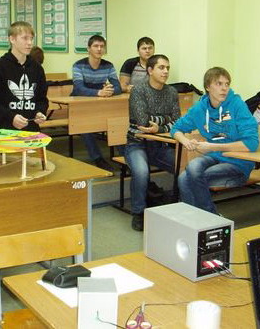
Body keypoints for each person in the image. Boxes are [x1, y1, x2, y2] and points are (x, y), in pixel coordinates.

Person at [170, 67, 259, 214]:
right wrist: (186, 141)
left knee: (189, 178)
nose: (224, 88)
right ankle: (197, 220)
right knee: (187, 174)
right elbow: (176, 129)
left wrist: (212, 147)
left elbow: (252, 144)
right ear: (207, 87)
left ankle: (211, 218)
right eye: (219, 84)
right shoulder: (200, 109)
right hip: (215, 157)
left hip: (238, 163)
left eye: (227, 84)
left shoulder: (237, 105)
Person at [125, 54, 180, 231]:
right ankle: (138, 213)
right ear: (150, 70)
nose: (165, 72)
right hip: (137, 143)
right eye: (161, 68)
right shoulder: (138, 90)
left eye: (167, 68)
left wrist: (160, 127)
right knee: (141, 172)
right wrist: (166, 120)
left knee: (184, 166)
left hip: (160, 145)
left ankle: (181, 205)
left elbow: (177, 121)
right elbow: (143, 121)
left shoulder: (171, 92)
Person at [71, 35, 122, 171]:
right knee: (86, 126)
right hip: (80, 106)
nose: (99, 49)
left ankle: (124, 157)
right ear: (88, 49)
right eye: (95, 46)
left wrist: (110, 91)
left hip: (99, 104)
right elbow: (79, 88)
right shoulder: (78, 65)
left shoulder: (108, 65)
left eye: (102, 46)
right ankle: (98, 158)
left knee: (117, 122)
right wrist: (99, 92)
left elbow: (118, 87)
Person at [0, 21, 48, 132]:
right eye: (25, 38)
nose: (30, 43)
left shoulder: (37, 68)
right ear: (12, 39)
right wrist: (11, 117)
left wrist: (40, 112)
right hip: (4, 130)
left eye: (31, 38)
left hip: (31, 131)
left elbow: (42, 99)